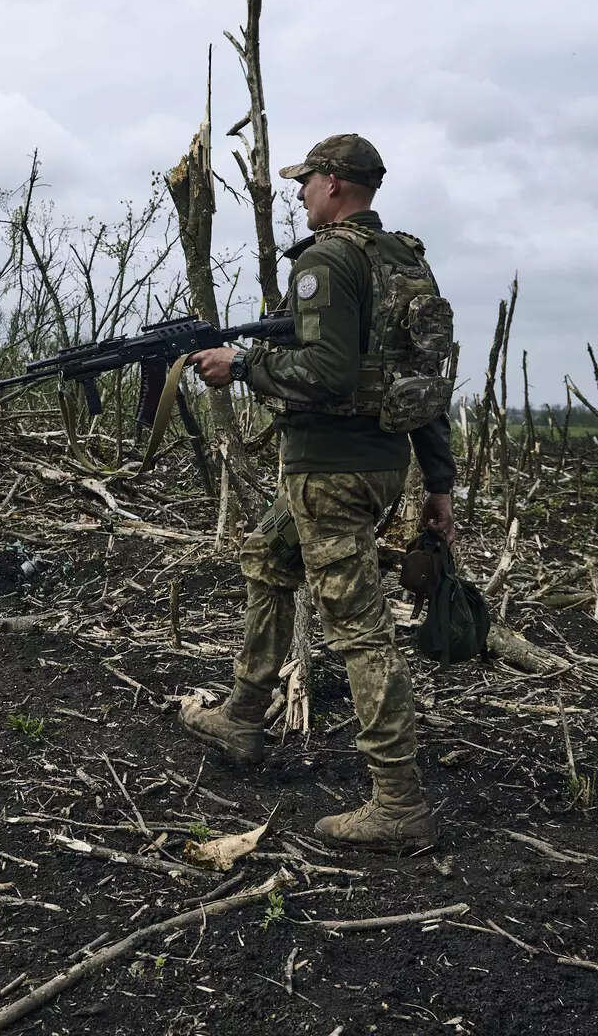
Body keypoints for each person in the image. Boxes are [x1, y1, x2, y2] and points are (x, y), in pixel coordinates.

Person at [184, 132, 456, 853]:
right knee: (269, 559)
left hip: (330, 471)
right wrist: (440, 482)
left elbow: (330, 376)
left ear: (336, 185)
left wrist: (243, 365)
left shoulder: (329, 260)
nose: (300, 192)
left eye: (307, 181)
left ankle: (398, 801)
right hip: (372, 464)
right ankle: (245, 715)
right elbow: (425, 381)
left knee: (360, 629)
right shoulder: (404, 260)